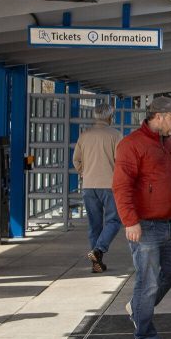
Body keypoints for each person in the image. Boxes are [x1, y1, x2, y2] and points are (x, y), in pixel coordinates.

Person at [113, 96, 171, 339]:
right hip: (144, 225)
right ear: (158, 116)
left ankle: (137, 306)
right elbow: (121, 187)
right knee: (148, 281)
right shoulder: (131, 145)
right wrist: (130, 221)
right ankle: (144, 338)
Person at [72, 103, 122, 273]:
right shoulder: (115, 135)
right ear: (110, 117)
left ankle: (97, 263)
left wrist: (84, 173)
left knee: (94, 225)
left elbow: (76, 160)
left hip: (88, 186)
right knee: (114, 221)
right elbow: (121, 162)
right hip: (109, 185)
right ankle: (98, 250)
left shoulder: (84, 136)